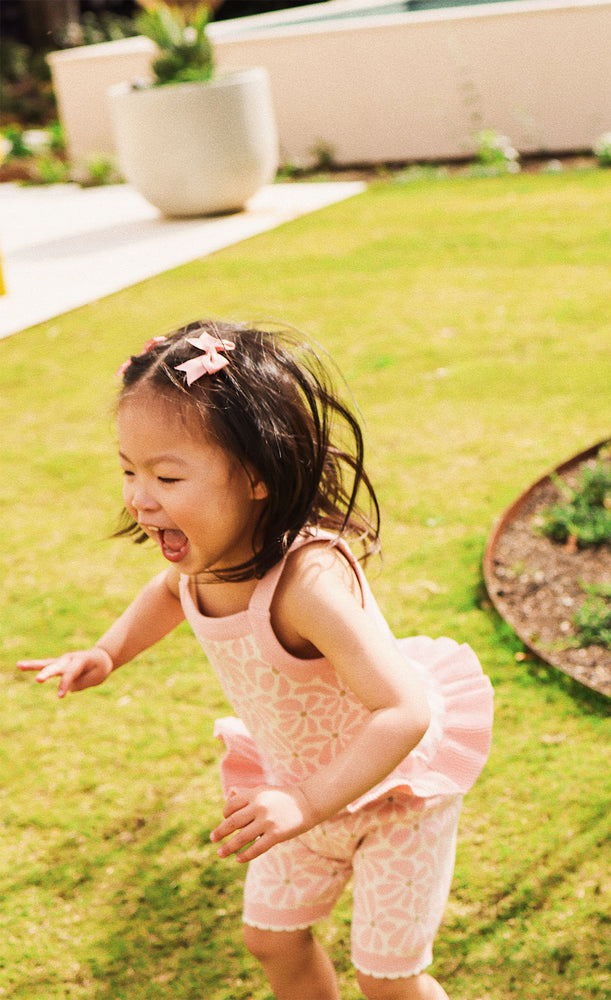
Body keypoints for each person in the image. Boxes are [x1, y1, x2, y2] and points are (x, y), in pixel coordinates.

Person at [18, 320, 494, 1000]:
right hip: (294, 793)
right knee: (271, 940)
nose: (138, 496)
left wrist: (304, 801)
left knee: (388, 980)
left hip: (394, 797)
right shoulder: (205, 560)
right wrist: (106, 652)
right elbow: (169, 593)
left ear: (257, 478)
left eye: (167, 474)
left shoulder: (307, 585)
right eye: (129, 469)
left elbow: (405, 709)